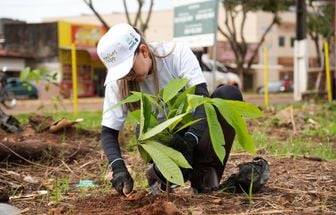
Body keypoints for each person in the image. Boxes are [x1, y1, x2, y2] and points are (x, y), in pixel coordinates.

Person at [97, 23, 243, 195]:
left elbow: (201, 98)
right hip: (163, 140)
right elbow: (108, 131)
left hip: (195, 129)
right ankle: (159, 175)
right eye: (122, 73)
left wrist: (189, 141)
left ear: (144, 51)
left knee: (228, 95)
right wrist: (118, 167)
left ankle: (205, 174)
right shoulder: (119, 82)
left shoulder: (175, 54)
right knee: (175, 166)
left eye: (129, 69)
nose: (127, 77)